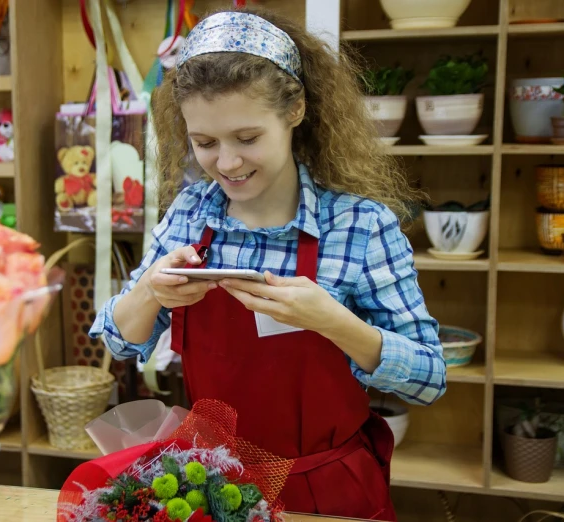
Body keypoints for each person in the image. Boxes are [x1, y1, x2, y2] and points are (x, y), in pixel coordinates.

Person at [90, 6, 446, 520]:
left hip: (327, 492)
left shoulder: (360, 226)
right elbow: (118, 340)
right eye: (205, 143)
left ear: (295, 110)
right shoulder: (191, 216)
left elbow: (429, 377)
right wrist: (150, 291)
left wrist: (334, 322)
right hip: (212, 489)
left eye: (248, 138)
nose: (228, 163)